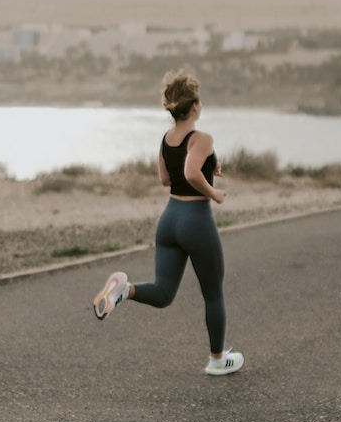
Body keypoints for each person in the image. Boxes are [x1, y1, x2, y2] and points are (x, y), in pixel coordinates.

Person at [93, 70, 244, 376]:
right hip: (195, 221)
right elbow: (190, 172)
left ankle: (125, 289)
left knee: (164, 293)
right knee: (213, 293)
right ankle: (218, 359)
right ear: (195, 106)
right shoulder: (202, 138)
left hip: (169, 220)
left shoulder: (166, 138)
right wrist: (214, 192)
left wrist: (208, 170)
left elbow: (166, 178)